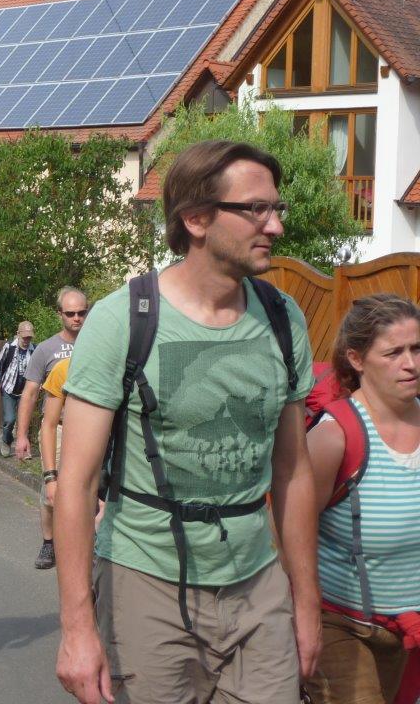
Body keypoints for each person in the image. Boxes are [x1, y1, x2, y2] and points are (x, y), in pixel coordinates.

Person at [55, 141, 318, 704]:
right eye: (256, 209)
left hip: (258, 586)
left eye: (276, 208)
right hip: (144, 584)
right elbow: (75, 483)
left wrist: (307, 603)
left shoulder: (283, 318)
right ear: (196, 219)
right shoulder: (122, 319)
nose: (274, 225)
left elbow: (293, 472)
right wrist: (77, 630)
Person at [304, 294, 420, 704]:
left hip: (408, 633)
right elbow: (286, 532)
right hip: (342, 626)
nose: (411, 363)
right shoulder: (335, 436)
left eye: (417, 348)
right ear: (356, 359)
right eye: (394, 352)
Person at [13, 287, 88, 461]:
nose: (76, 318)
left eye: (81, 313)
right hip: (57, 429)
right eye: (70, 314)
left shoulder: (99, 345)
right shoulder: (45, 349)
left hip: (91, 428)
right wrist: (22, 436)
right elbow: (30, 393)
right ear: (60, 314)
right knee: (54, 478)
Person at [31, 357, 70, 570]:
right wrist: (50, 476)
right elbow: (49, 424)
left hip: (95, 432)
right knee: (50, 494)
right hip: (61, 428)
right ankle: (48, 543)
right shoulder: (63, 368)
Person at [0, 321, 36, 457]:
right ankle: (6, 441)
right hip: (9, 388)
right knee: (10, 419)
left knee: (25, 421)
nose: (27, 340)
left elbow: (36, 370)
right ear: (18, 334)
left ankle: (25, 449)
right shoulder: (9, 347)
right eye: (24, 337)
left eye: (29, 338)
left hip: (25, 392)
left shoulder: (34, 350)